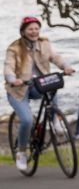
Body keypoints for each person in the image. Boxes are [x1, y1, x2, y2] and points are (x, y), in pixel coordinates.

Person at [4, 16, 75, 172]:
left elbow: (56, 58)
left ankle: (55, 120)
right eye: (30, 29)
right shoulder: (14, 48)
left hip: (38, 86)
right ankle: (21, 153)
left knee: (52, 84)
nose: (34, 31)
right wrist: (12, 79)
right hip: (18, 90)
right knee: (27, 120)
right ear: (23, 31)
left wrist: (66, 66)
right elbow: (8, 67)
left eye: (36, 28)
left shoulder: (44, 44)